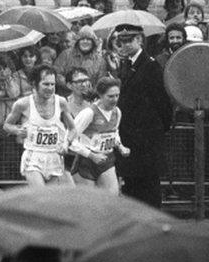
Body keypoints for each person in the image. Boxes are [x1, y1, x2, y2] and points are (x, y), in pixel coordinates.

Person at [110, 23, 173, 206]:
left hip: (147, 139)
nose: (125, 44)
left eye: (129, 40)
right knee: (131, 187)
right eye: (121, 41)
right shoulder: (125, 65)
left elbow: (162, 103)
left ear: (139, 40)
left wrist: (159, 130)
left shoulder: (150, 66)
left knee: (149, 188)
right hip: (129, 136)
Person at [3, 64, 77, 186]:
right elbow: (7, 125)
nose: (50, 88)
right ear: (34, 84)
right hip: (33, 156)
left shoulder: (61, 102)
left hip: (54, 156)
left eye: (52, 84)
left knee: (51, 201)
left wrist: (66, 143)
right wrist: (17, 131)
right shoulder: (23, 104)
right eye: (46, 84)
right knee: (41, 196)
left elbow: (73, 129)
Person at [70, 76, 130, 193]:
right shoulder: (88, 113)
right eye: (110, 96)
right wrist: (91, 155)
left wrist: (120, 146)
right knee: (90, 205)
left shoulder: (117, 112)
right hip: (86, 163)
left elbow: (114, 132)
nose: (115, 100)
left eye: (117, 95)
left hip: (106, 160)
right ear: (100, 95)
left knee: (111, 201)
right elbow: (70, 139)